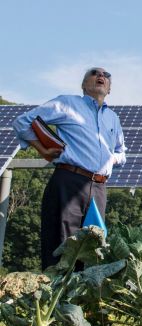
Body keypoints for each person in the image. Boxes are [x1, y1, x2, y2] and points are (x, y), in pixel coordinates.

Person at [12, 67, 126, 269]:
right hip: (69, 180)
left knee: (94, 247)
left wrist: (111, 160)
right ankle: (58, 296)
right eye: (94, 73)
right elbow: (22, 122)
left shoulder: (113, 119)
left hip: (99, 188)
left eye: (106, 75)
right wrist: (42, 149)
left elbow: (121, 152)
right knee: (62, 245)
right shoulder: (67, 104)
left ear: (109, 89)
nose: (101, 76)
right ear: (83, 85)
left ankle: (82, 299)